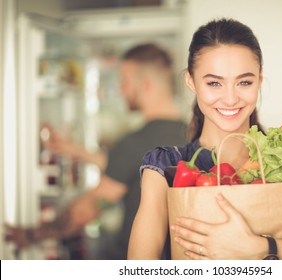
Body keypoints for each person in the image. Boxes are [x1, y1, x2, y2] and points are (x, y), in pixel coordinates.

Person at [127, 18, 282, 260]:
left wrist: (261, 247)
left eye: (244, 82)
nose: (230, 99)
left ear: (259, 80)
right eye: (214, 83)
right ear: (191, 81)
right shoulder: (167, 167)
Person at [5, 43, 188, 260]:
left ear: (146, 85)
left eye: (125, 81)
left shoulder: (134, 143)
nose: (121, 89)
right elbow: (133, 169)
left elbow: (87, 210)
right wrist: (79, 152)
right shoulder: (190, 135)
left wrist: (32, 234)